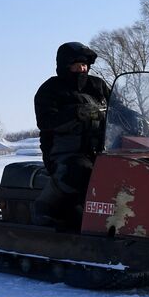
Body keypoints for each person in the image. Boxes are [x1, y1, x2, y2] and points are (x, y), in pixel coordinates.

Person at [32, 41, 111, 229]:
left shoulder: (97, 85)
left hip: (102, 150)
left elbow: (119, 108)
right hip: (65, 154)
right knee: (80, 171)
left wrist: (140, 119)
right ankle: (45, 209)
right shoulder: (50, 89)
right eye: (76, 65)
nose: (82, 69)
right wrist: (76, 113)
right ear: (65, 66)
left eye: (84, 65)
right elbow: (46, 122)